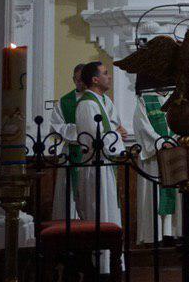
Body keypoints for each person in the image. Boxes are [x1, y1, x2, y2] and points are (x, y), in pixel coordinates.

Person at [75, 62, 126, 273]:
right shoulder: (87, 105)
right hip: (95, 168)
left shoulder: (102, 102)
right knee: (99, 213)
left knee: (108, 213)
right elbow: (93, 140)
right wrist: (116, 134)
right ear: (95, 80)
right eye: (105, 73)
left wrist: (114, 132)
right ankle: (99, 266)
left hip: (105, 167)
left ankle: (109, 263)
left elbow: (110, 130)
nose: (110, 77)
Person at [133, 88, 182, 244]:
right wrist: (161, 142)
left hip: (173, 153)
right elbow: (141, 125)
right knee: (152, 192)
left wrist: (173, 140)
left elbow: (184, 121)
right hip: (153, 157)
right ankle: (153, 235)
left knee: (172, 190)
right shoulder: (145, 100)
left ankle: (171, 232)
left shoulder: (177, 99)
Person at [48, 64, 85, 220]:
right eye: (78, 80)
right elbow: (56, 128)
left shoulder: (99, 99)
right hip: (71, 152)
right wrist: (82, 132)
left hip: (93, 152)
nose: (81, 83)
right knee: (69, 195)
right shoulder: (64, 101)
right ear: (73, 80)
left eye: (84, 79)